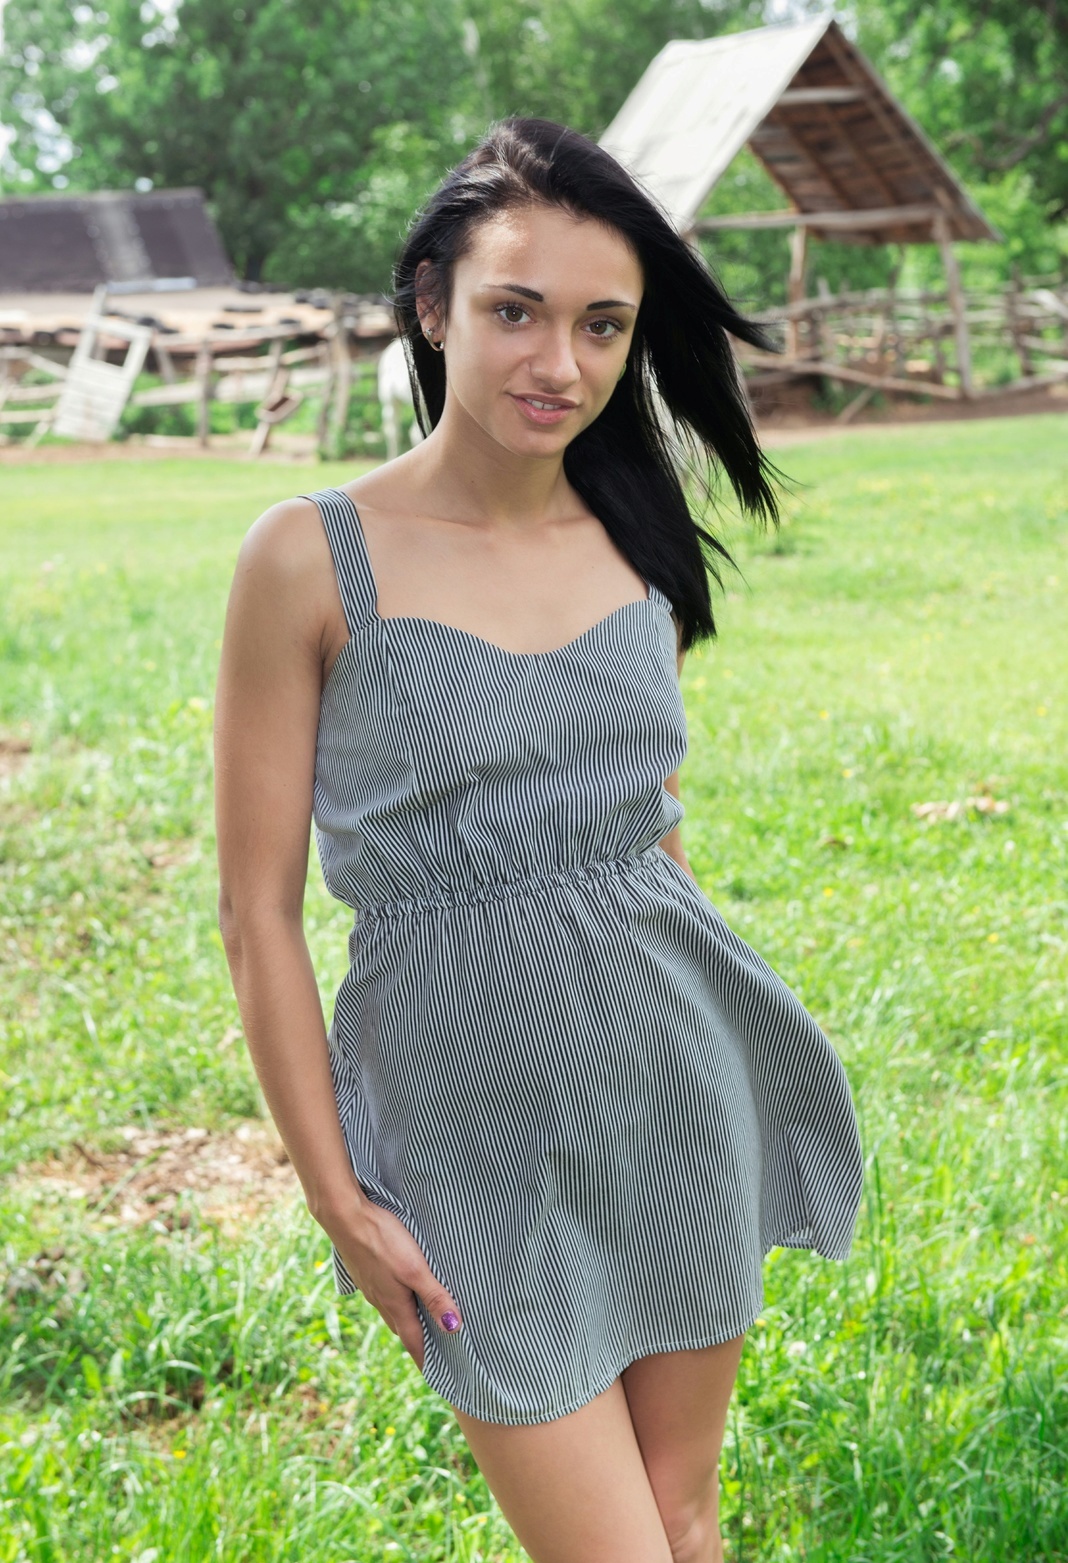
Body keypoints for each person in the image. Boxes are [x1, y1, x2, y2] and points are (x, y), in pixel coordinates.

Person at [214, 116, 864, 1563]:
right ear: (433, 305)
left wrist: (735, 1046)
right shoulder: (307, 558)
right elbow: (257, 915)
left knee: (683, 1521)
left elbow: (648, 834)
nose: (558, 362)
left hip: (671, 1090)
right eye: (516, 310)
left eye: (601, 325)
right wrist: (338, 1201)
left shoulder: (638, 540)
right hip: (463, 1127)